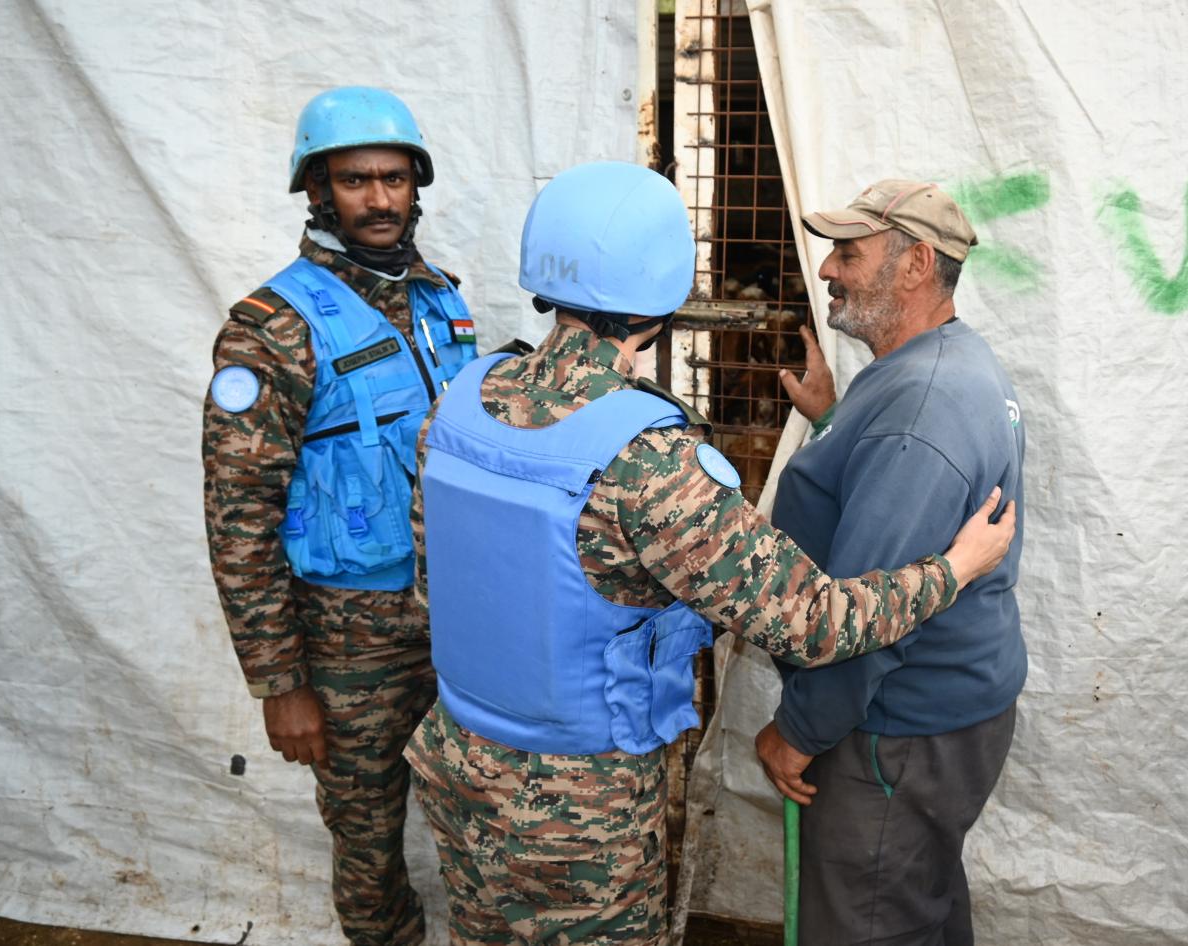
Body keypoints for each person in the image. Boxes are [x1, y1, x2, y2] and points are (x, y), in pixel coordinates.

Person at [400, 161, 1016, 946]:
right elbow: (812, 621)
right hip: (576, 809)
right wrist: (954, 568)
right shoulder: (647, 459)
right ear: (662, 290)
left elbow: (431, 585)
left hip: (458, 762)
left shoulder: (459, 401)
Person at [202, 86, 477, 946]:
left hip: (466, 623)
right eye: (356, 180)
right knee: (367, 844)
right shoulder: (271, 328)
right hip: (350, 642)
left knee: (486, 813)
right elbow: (238, 515)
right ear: (316, 188)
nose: (380, 199)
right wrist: (281, 683)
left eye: (395, 178)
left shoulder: (444, 303)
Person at [753, 180, 1027, 945]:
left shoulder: (920, 408)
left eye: (849, 252)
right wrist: (835, 420)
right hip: (941, 717)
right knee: (914, 905)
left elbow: (868, 616)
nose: (829, 270)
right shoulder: (944, 362)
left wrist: (800, 732)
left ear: (915, 266)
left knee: (865, 921)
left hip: (893, 730)